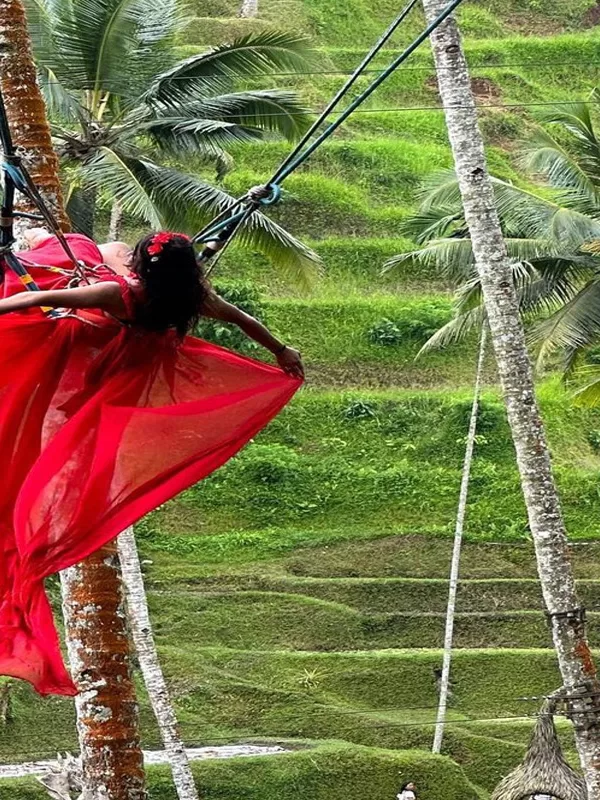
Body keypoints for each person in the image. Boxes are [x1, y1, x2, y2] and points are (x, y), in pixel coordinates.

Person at [0, 228, 304, 697]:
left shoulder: (116, 291)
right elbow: (243, 320)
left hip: (95, 353)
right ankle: (44, 242)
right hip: (138, 372)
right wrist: (281, 351)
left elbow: (35, 302)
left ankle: (35, 243)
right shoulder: (194, 299)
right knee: (91, 250)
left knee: (80, 247)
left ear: (139, 268)